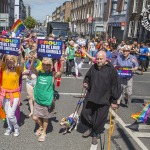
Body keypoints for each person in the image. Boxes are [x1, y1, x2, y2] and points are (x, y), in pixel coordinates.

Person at [81, 51, 121, 145]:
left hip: (104, 98)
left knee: (99, 119)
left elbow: (116, 85)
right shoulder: (94, 66)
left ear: (105, 58)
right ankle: (91, 127)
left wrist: (114, 100)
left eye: (100, 59)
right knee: (85, 113)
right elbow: (88, 76)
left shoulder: (111, 70)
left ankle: (95, 133)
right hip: (91, 95)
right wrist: (86, 82)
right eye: (97, 59)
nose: (98, 61)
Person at [30, 55, 64, 142]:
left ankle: (44, 132)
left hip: (47, 100)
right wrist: (34, 59)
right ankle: (41, 126)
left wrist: (62, 63)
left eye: (48, 65)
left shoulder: (52, 74)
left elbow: (60, 73)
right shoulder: (39, 72)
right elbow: (31, 69)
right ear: (42, 64)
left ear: (51, 66)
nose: (46, 66)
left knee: (45, 117)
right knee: (34, 117)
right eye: (44, 64)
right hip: (38, 99)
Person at [0, 53, 24, 137]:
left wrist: (20, 55)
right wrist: (3, 54)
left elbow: (22, 64)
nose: (10, 63)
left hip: (14, 95)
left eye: (12, 61)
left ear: (15, 61)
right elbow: (1, 61)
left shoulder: (17, 69)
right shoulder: (3, 68)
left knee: (10, 114)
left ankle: (16, 127)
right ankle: (9, 128)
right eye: (8, 61)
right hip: (4, 95)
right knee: (7, 113)